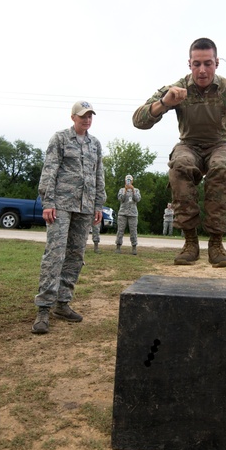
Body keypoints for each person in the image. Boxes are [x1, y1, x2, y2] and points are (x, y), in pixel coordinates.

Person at [133, 38, 226, 268]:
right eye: (197, 64)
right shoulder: (176, 89)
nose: (202, 70)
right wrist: (164, 102)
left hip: (219, 143)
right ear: (189, 64)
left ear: (217, 63)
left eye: (208, 63)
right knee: (180, 164)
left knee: (222, 167)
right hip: (188, 143)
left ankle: (216, 243)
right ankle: (190, 241)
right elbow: (138, 120)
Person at [32, 101, 106, 335]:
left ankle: (63, 303)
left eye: (90, 116)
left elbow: (98, 174)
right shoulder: (61, 138)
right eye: (83, 116)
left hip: (85, 207)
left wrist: (98, 204)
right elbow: (50, 169)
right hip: (61, 205)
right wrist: (48, 202)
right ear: (73, 117)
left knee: (75, 256)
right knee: (55, 255)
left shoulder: (95, 144)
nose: (87, 120)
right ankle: (44, 308)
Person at [115, 175, 141, 254]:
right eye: (127, 180)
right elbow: (120, 199)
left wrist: (133, 190)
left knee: (133, 231)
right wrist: (125, 191)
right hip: (123, 213)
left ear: (132, 181)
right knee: (120, 230)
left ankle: (134, 247)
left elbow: (137, 199)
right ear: (125, 181)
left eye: (130, 180)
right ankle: (118, 246)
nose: (128, 181)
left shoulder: (136, 190)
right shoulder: (122, 190)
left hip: (133, 214)